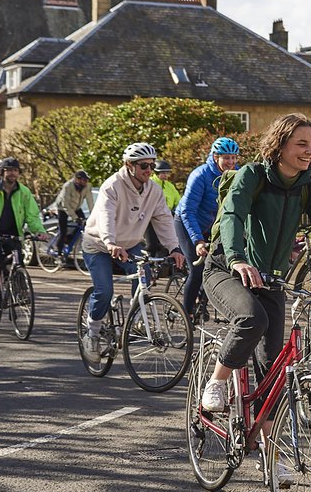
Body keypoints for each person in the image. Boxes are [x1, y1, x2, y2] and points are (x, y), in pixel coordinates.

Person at [198, 113, 311, 419]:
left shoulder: (310, 182)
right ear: (280, 145)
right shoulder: (253, 175)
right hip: (226, 269)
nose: (309, 151)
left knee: (271, 368)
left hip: (271, 278)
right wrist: (237, 259)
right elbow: (233, 215)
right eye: (301, 143)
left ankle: (267, 449)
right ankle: (217, 381)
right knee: (251, 319)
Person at [80, 143, 184, 355]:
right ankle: (91, 333)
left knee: (143, 275)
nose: (149, 170)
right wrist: (110, 241)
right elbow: (105, 215)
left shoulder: (153, 190)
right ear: (129, 165)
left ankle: (135, 322)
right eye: (144, 165)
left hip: (130, 244)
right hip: (98, 244)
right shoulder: (113, 186)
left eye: (152, 166)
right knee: (104, 290)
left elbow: (164, 218)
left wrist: (174, 247)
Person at [0, 158, 50, 315]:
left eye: (15, 170)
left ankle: (18, 291)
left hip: (14, 235)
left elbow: (32, 216)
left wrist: (39, 231)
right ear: (2, 172)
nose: (13, 173)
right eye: (9, 170)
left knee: (18, 263)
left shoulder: (24, 192)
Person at [175, 137, 240, 316]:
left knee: (219, 266)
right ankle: (186, 314)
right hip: (188, 223)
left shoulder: (238, 173)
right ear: (214, 157)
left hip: (214, 225)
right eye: (226, 158)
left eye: (234, 158)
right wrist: (197, 241)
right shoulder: (200, 175)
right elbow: (188, 211)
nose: (231, 162)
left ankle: (203, 301)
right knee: (197, 269)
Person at [49, 170, 95, 254]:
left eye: (86, 180)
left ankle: (69, 239)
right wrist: (75, 218)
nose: (85, 182)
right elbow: (65, 204)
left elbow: (90, 202)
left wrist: (94, 216)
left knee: (84, 225)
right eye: (84, 180)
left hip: (76, 207)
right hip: (62, 208)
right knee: (63, 230)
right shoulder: (67, 186)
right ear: (77, 179)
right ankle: (58, 250)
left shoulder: (87, 187)